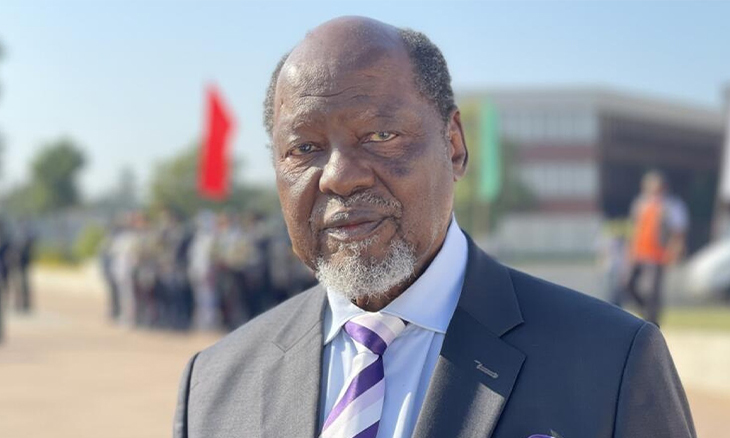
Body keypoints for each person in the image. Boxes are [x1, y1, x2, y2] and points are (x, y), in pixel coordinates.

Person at [174, 17, 695, 438]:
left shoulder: (612, 363)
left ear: (454, 145)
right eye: (304, 148)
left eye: (380, 135)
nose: (339, 176)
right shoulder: (213, 387)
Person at [624, 171, 688, 326]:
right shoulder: (641, 203)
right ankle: (645, 311)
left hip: (658, 254)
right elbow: (635, 228)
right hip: (639, 252)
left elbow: (678, 232)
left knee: (652, 291)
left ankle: (652, 322)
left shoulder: (671, 205)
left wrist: (673, 251)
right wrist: (629, 250)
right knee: (628, 284)